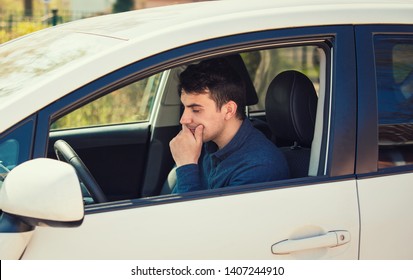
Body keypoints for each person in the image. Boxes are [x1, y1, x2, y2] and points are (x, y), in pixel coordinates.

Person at [169, 57, 289, 193]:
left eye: (196, 110)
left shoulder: (260, 167)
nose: (183, 119)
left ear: (229, 110)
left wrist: (186, 166)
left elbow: (193, 214)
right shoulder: (203, 145)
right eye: (184, 107)